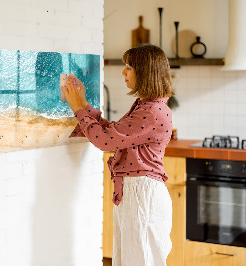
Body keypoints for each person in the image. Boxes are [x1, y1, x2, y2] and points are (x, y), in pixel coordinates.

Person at [62, 44, 174, 266]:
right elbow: (113, 133)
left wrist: (77, 108)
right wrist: (83, 104)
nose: (123, 72)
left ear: (145, 72)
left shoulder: (151, 111)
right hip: (137, 193)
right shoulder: (147, 106)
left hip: (142, 195)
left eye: (129, 67)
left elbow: (105, 141)